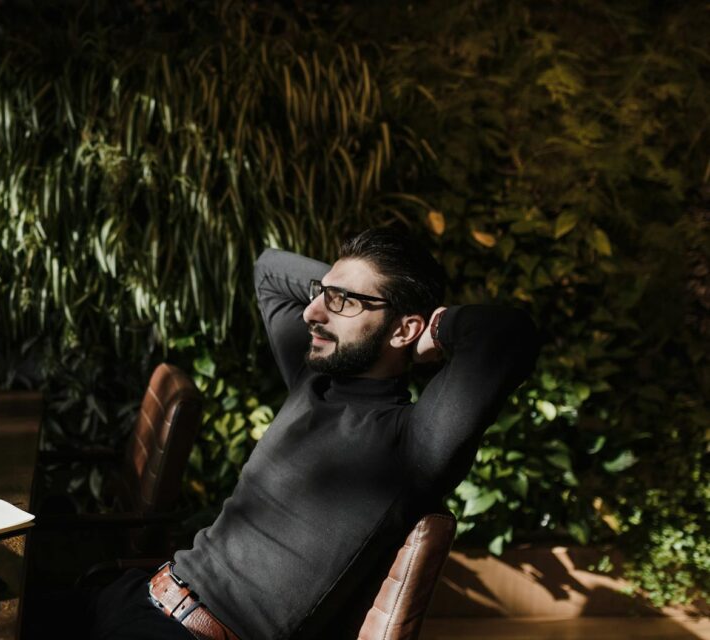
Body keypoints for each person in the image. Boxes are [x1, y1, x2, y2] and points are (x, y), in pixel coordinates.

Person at [80, 228, 539, 639]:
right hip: (139, 595)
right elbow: (269, 269)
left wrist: (430, 327)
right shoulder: (313, 380)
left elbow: (507, 333)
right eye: (321, 294)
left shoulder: (415, 440)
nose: (312, 312)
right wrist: (346, 292)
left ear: (404, 330)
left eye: (341, 302)